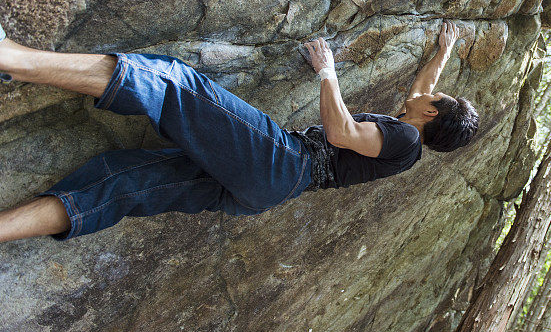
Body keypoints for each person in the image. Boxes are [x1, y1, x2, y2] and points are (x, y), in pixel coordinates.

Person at [0, 20, 478, 242]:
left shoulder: (407, 139)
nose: (426, 92)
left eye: (435, 99)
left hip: (286, 164)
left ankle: (14, 60)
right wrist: (445, 49)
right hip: (263, 191)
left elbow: (341, 134)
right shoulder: (415, 131)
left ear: (432, 115)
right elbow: (426, 86)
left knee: (173, 82)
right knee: (122, 186)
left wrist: (327, 71)